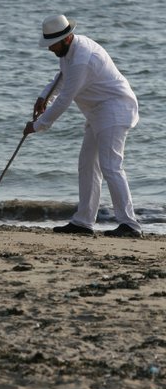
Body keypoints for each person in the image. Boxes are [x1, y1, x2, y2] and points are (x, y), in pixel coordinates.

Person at [24, 13, 142, 238]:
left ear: (66, 38)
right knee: (87, 164)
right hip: (97, 112)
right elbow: (61, 78)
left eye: (52, 44)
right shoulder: (69, 51)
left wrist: (38, 125)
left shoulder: (82, 58)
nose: (50, 49)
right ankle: (83, 221)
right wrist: (43, 96)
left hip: (115, 109)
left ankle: (130, 224)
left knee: (111, 166)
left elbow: (66, 98)